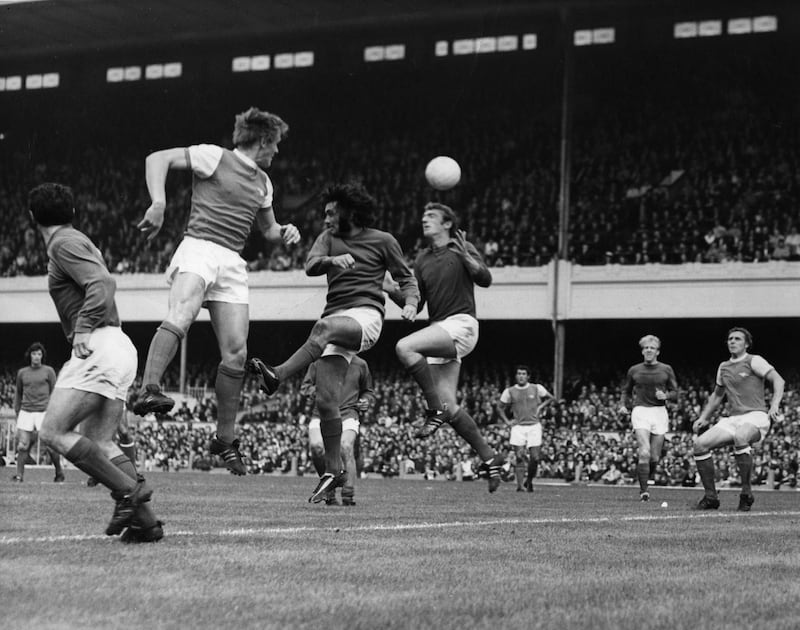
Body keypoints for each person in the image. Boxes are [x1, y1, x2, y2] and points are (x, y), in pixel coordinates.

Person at [129, 107, 300, 475]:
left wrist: (284, 232)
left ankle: (224, 440)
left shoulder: (264, 183)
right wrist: (158, 203)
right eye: (276, 145)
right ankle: (149, 388)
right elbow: (157, 158)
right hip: (200, 247)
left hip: (233, 262)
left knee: (236, 355)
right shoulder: (215, 156)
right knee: (183, 313)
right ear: (264, 140)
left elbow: (268, 231)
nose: (278, 152)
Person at [248, 181, 419, 503]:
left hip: (365, 318)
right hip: (336, 322)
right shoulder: (328, 239)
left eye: (330, 213)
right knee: (326, 401)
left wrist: (409, 302)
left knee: (322, 327)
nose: (325, 219)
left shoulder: (383, 241)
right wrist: (331, 261)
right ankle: (332, 471)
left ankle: (278, 375)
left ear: (349, 212)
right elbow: (311, 266)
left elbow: (406, 279)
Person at [27, 182, 163, 543]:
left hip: (98, 343)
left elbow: (103, 283)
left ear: (31, 217)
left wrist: (83, 329)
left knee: (52, 431)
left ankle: (128, 491)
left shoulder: (62, 243)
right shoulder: (77, 239)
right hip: (116, 345)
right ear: (71, 212)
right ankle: (146, 525)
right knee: (99, 441)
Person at [390, 202, 506, 493]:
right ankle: (491, 458)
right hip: (440, 329)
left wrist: (469, 258)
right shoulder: (422, 259)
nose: (423, 219)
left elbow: (486, 279)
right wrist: (390, 288)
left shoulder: (461, 247)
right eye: (423, 215)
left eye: (431, 216)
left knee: (405, 348)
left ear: (447, 224)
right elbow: (416, 303)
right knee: (450, 407)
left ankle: (433, 412)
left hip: (462, 323)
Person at [692, 327, 785, 511]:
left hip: (756, 416)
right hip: (733, 418)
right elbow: (717, 396)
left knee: (741, 437)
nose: (732, 342)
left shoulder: (754, 360)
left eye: (737, 339)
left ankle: (746, 493)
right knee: (699, 444)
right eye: (730, 339)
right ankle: (711, 497)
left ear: (746, 344)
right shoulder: (723, 367)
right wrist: (703, 417)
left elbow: (778, 380)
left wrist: (775, 404)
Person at [301, 355, 374, 506]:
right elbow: (305, 387)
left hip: (348, 413)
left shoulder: (360, 364)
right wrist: (319, 392)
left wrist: (366, 401)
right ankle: (328, 489)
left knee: (345, 446)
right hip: (321, 413)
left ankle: (348, 495)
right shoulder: (319, 362)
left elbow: (368, 391)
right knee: (316, 448)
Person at [619, 335, 678, 502]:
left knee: (654, 457)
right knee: (644, 451)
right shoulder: (634, 370)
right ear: (642, 351)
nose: (648, 350)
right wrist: (623, 404)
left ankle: (647, 476)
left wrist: (665, 395)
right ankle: (644, 491)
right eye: (646, 348)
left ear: (657, 351)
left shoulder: (666, 369)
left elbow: (676, 393)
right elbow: (626, 390)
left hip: (659, 412)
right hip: (640, 411)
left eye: (652, 348)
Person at [11, 342, 63, 483]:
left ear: (42, 356)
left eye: (39, 354)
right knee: (23, 445)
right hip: (26, 412)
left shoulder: (49, 371)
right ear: (30, 355)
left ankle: (59, 473)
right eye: (34, 354)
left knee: (51, 446)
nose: (36, 357)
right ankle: (19, 476)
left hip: (44, 412)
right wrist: (17, 412)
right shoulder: (22, 372)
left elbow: (54, 392)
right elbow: (18, 394)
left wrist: (55, 413)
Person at [497, 365, 553, 493]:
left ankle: (529, 480)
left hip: (534, 426)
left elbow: (551, 398)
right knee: (519, 456)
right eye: (519, 373)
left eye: (523, 374)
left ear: (528, 376)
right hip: (518, 427)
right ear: (516, 376)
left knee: (535, 457)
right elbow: (499, 407)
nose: (521, 376)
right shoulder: (509, 391)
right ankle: (520, 486)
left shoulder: (536, 388)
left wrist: (539, 408)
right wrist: (507, 421)